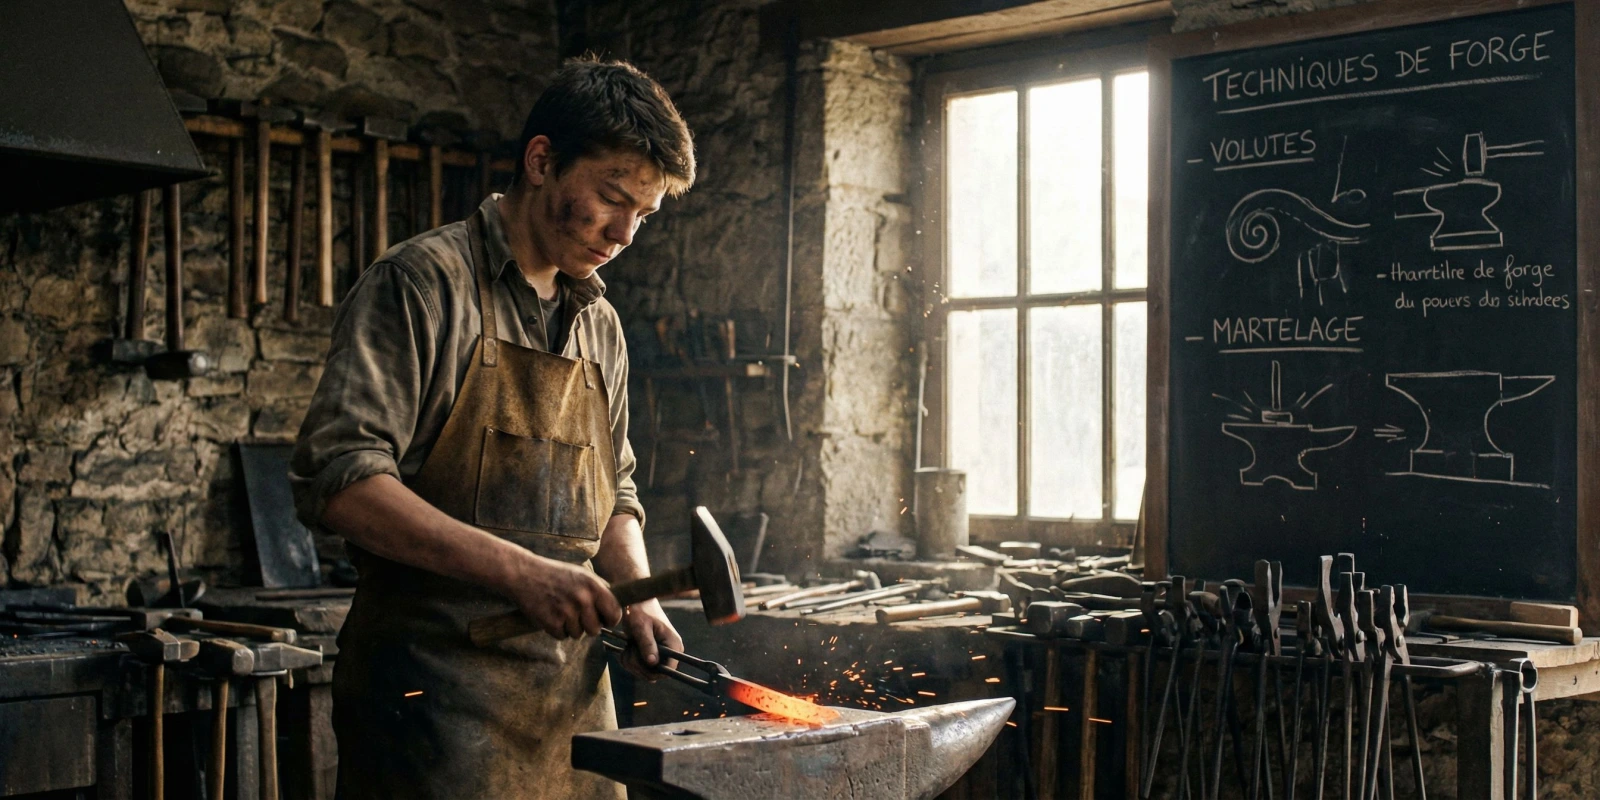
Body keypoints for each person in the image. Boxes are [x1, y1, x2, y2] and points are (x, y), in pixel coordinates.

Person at [289, 57, 694, 799]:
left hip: (572, 715)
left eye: (645, 213)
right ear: (541, 161)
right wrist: (521, 572)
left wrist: (639, 595)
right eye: (611, 198)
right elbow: (341, 480)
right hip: (430, 705)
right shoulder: (421, 284)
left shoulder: (599, 325)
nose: (626, 232)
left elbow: (617, 489)